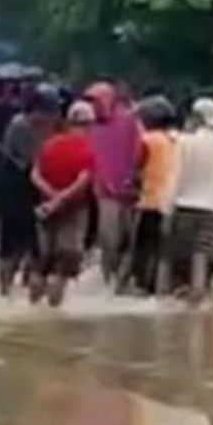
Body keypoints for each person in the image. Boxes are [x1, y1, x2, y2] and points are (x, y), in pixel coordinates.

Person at [30, 101, 97, 307]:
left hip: (45, 208)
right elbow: (83, 181)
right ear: (90, 125)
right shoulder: (88, 149)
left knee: (42, 262)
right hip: (73, 210)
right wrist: (61, 199)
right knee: (64, 265)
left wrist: (51, 197)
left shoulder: (50, 144)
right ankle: (53, 312)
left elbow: (34, 175)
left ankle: (33, 307)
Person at [168, 98, 213, 302]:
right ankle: (199, 299)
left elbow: (174, 175)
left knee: (178, 265)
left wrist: (166, 206)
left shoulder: (182, 142)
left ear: (195, 117)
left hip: (184, 208)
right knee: (202, 256)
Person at [0, 88, 58, 296]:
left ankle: (25, 284)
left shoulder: (45, 128)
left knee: (33, 240)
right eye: (47, 112)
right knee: (12, 239)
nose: (51, 117)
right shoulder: (20, 126)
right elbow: (29, 161)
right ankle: (5, 288)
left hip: (33, 183)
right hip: (14, 183)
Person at [84, 81, 142, 284]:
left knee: (129, 239)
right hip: (102, 191)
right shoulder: (88, 126)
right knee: (108, 238)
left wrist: (134, 177)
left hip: (130, 190)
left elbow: (139, 151)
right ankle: (107, 279)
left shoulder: (130, 122)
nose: (92, 106)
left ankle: (122, 278)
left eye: (95, 101)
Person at [123, 95, 178, 295]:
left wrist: (129, 183)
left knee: (142, 249)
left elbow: (136, 168)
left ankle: (139, 286)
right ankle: (159, 288)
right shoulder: (176, 139)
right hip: (172, 202)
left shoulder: (147, 140)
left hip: (150, 201)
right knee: (163, 251)